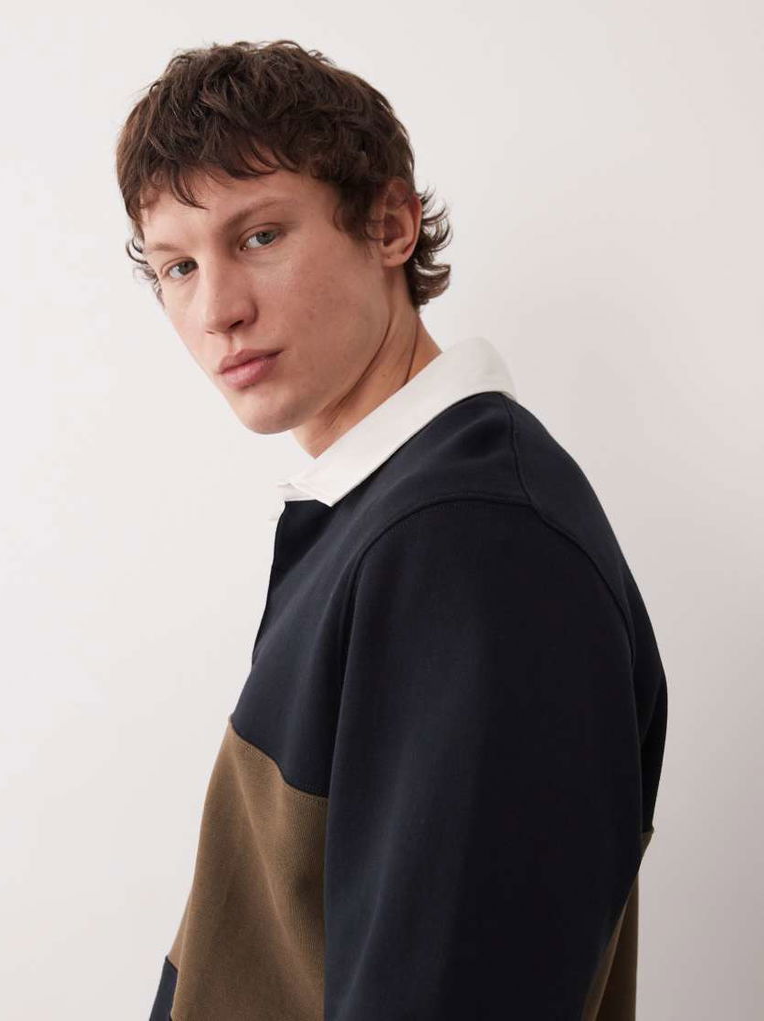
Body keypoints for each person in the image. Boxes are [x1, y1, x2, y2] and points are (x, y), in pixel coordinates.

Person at [115, 39, 668, 1021]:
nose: (217, 310)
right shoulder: (386, 516)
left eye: (259, 236)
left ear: (390, 224)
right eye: (178, 265)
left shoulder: (473, 548)